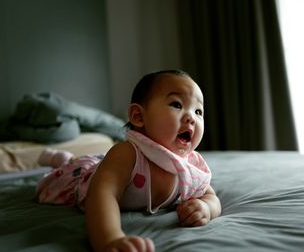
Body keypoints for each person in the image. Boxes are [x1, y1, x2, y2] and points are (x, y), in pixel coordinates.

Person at [36, 70, 222, 252]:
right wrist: (110, 239)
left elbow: (211, 197)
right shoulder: (127, 153)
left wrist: (206, 208)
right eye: (176, 104)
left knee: (96, 162)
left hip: (102, 165)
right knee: (72, 168)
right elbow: (102, 195)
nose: (191, 118)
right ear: (138, 116)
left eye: (198, 111)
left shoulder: (191, 166)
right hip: (83, 177)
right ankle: (60, 159)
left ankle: (66, 158)